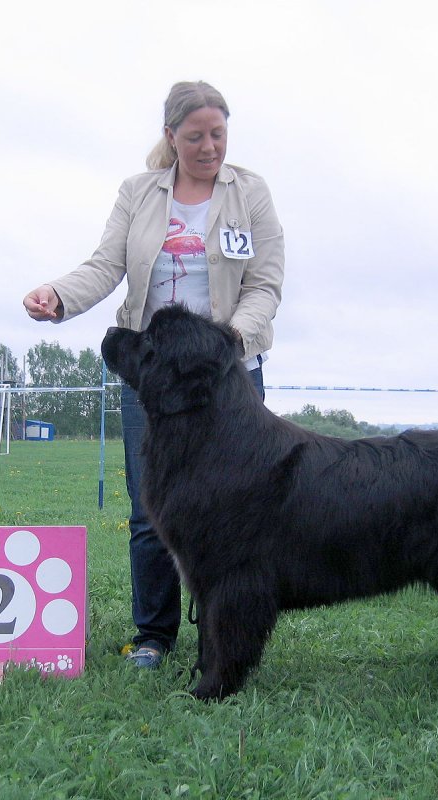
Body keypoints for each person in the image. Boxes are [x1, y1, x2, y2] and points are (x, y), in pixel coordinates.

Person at [23, 81, 284, 669]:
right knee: (152, 511)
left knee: (234, 515)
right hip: (156, 381)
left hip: (228, 375)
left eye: (218, 134)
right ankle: (153, 636)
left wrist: (229, 342)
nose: (210, 147)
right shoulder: (139, 193)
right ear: (171, 137)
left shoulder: (252, 193)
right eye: (196, 137)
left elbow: (265, 283)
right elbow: (105, 265)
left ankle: (223, 639)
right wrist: (59, 296)